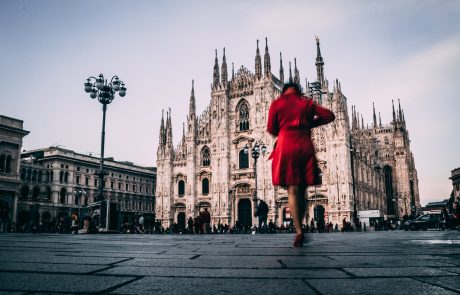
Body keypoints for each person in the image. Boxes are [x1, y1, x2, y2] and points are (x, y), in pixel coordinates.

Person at [267, 82, 335, 247]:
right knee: (303, 188)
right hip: (304, 146)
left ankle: (299, 231)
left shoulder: (277, 103)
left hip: (286, 146)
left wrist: (283, 129)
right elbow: (329, 115)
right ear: (299, 91)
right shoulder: (306, 103)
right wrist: (308, 123)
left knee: (292, 189)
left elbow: (271, 128)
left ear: (283, 92)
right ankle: (303, 222)